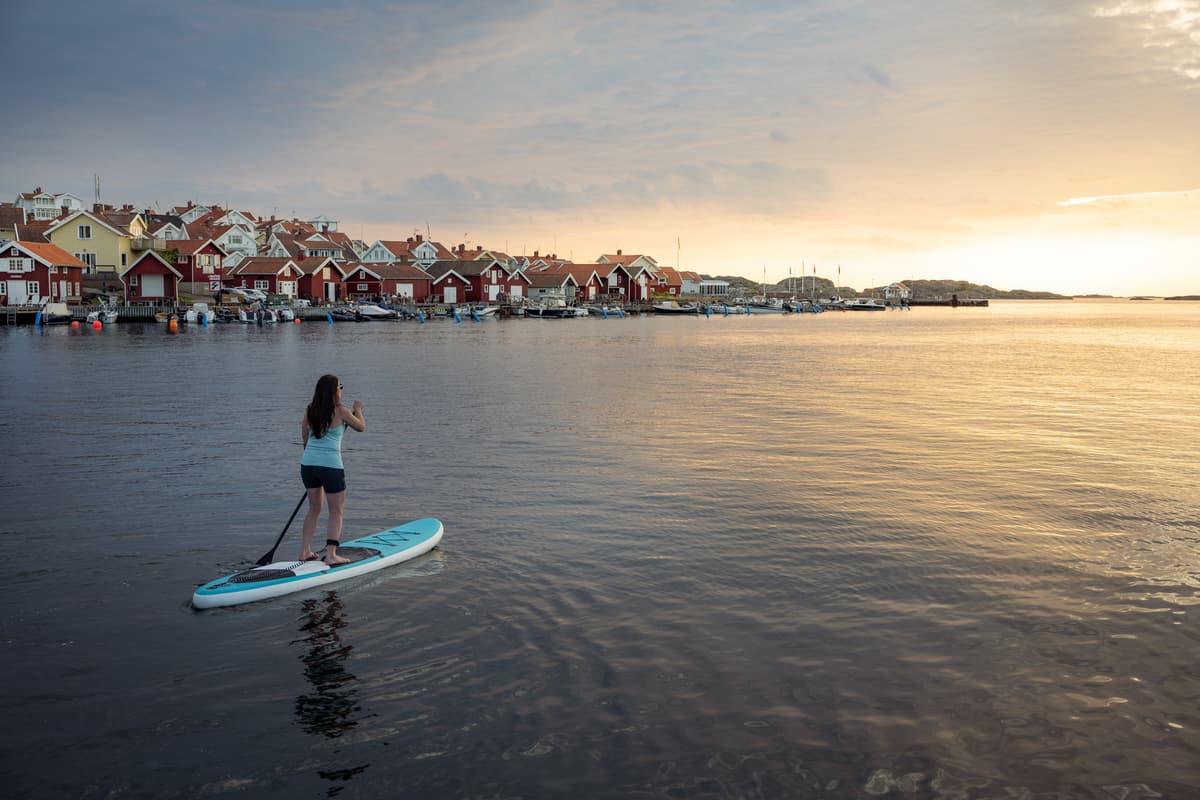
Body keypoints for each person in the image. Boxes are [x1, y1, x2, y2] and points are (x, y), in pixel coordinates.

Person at [299, 374, 366, 565]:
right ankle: (331, 555)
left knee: (314, 508)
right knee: (336, 511)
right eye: (340, 386)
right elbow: (361, 427)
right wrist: (358, 410)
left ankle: (304, 551)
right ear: (334, 391)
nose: (341, 390)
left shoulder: (310, 410)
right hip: (330, 466)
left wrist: (313, 460)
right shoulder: (341, 411)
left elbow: (304, 437)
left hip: (308, 465)